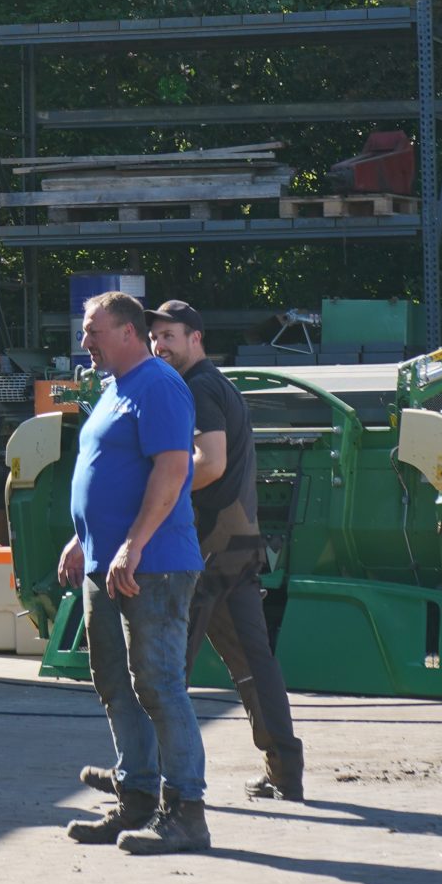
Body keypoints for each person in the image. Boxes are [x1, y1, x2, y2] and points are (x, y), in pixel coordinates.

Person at [58, 290, 210, 855]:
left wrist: (133, 545)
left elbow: (173, 472)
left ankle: (187, 814)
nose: (85, 342)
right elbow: (111, 474)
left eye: (93, 331)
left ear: (127, 332)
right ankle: (137, 799)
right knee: (117, 686)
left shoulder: (160, 386)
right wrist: (83, 539)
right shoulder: (111, 389)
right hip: (108, 562)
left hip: (154, 565)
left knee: (159, 686)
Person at [149, 299, 305, 802]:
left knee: (169, 664)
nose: (160, 345)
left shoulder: (198, 387)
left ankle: (152, 780)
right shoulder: (214, 384)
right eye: (155, 337)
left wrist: (159, 489)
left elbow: (210, 462)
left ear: (196, 338)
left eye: (170, 336)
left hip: (206, 546)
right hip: (236, 541)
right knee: (253, 660)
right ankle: (285, 770)